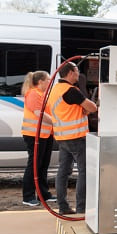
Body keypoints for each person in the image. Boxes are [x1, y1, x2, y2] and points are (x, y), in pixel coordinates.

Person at [47, 62, 97, 215]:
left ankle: (63, 207)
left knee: (63, 172)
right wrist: (86, 109)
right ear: (69, 73)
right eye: (76, 71)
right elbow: (93, 107)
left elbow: (67, 111)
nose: (78, 74)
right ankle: (81, 208)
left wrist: (83, 110)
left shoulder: (55, 90)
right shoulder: (71, 91)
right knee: (84, 171)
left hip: (62, 137)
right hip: (76, 137)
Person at [21, 71, 56, 206]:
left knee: (43, 165)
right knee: (34, 165)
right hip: (34, 135)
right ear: (41, 81)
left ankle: (43, 194)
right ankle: (28, 196)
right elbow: (39, 114)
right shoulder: (33, 94)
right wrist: (57, 123)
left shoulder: (42, 94)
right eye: (48, 80)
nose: (49, 82)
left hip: (44, 135)